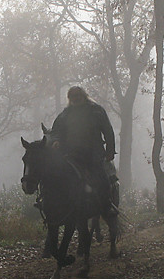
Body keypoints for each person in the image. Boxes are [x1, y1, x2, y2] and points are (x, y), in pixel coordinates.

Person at [49, 86, 117, 214]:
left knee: (102, 178)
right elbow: (56, 131)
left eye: (78, 95)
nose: (76, 98)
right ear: (69, 99)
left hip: (94, 154)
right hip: (72, 155)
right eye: (73, 96)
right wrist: (56, 141)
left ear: (84, 96)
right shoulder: (65, 115)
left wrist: (110, 151)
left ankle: (107, 205)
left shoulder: (96, 111)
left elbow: (108, 131)